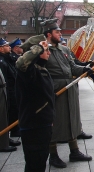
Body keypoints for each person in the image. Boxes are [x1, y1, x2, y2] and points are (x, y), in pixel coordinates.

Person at [41, 19, 92, 168]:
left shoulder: (64, 50)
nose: (60, 34)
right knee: (55, 123)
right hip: (55, 90)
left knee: (72, 119)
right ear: (49, 34)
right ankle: (53, 155)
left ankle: (74, 151)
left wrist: (84, 69)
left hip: (69, 89)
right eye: (57, 32)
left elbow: (72, 67)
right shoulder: (43, 50)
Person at [15, 35, 55, 172]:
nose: (49, 52)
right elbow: (21, 63)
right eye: (46, 50)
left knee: (40, 161)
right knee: (35, 165)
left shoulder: (41, 69)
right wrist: (39, 47)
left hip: (42, 124)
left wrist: (50, 118)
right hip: (34, 126)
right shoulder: (28, 71)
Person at [0, 38, 21, 147]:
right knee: (5, 114)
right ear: (1, 49)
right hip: (7, 90)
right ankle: (4, 139)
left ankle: (6, 138)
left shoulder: (7, 59)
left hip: (11, 89)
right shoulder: (2, 61)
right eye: (6, 46)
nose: (9, 47)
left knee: (10, 112)